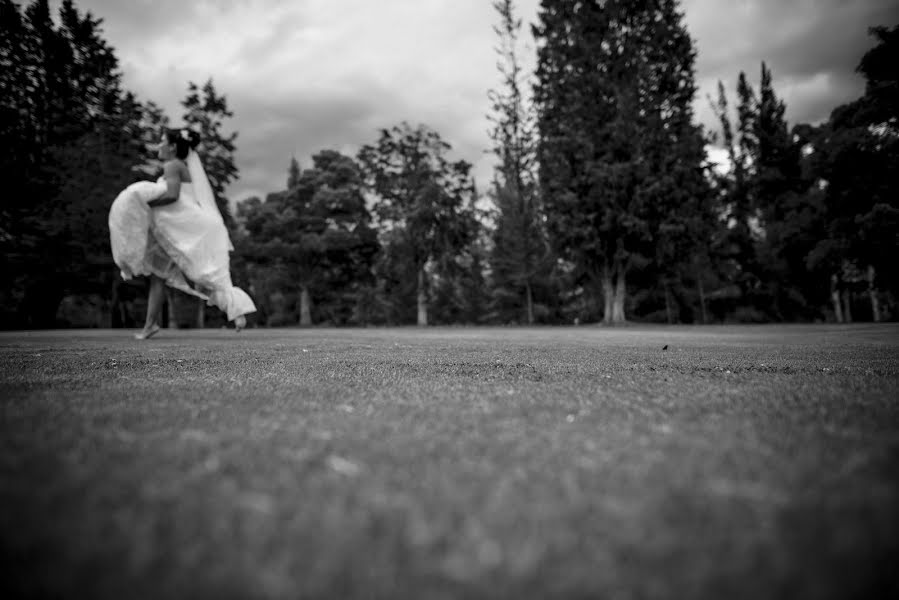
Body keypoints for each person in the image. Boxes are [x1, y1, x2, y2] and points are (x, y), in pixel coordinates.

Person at [109, 127, 256, 339]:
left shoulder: (172, 165)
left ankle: (237, 310)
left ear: (172, 146)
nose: (158, 145)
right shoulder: (177, 165)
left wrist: (143, 203)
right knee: (160, 275)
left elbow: (172, 195)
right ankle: (150, 325)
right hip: (181, 229)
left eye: (161, 141)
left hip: (186, 230)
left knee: (200, 274)